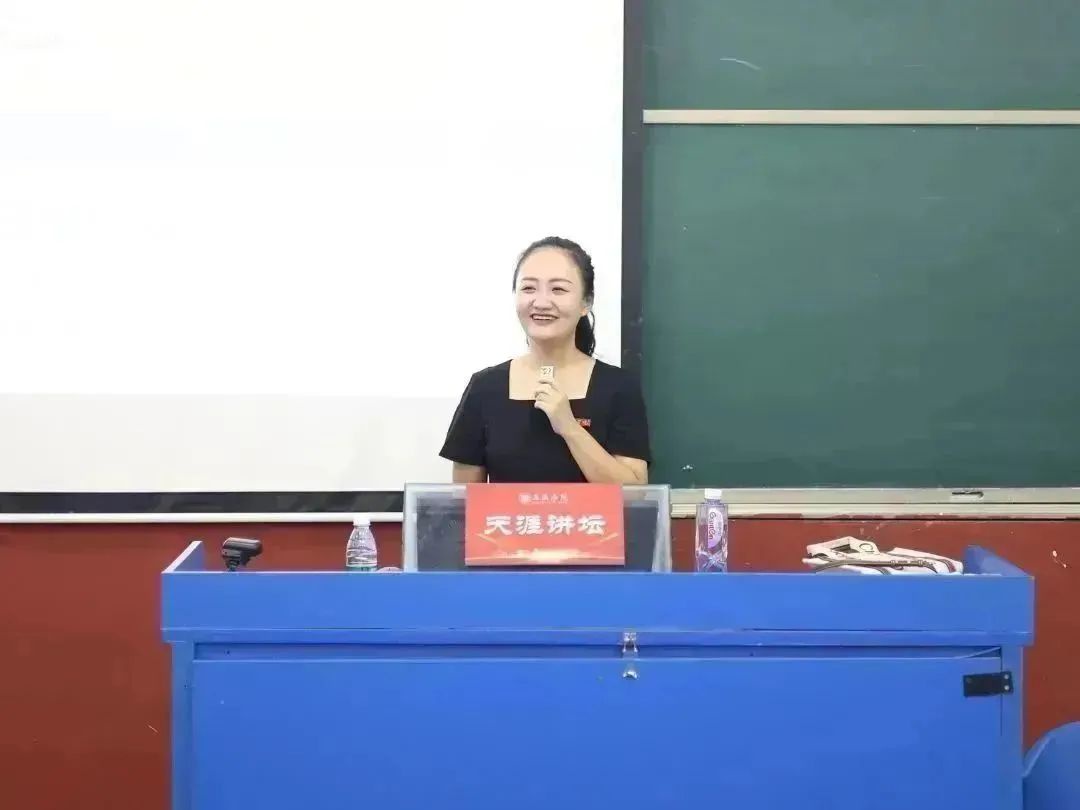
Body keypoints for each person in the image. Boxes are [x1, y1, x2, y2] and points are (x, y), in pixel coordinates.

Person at [439, 236, 651, 484]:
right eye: (529, 288)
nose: (541, 303)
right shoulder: (485, 387)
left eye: (558, 289)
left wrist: (569, 427)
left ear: (586, 303)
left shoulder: (619, 387)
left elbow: (634, 493)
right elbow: (465, 499)